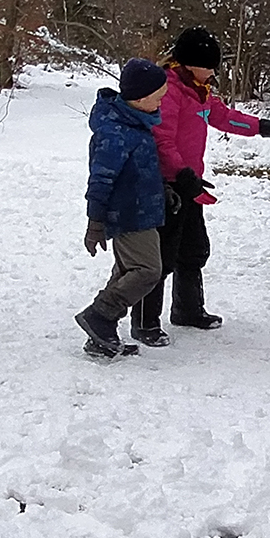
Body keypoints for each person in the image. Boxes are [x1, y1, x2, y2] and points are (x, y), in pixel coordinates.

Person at [129, 27, 270, 343]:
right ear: (190, 63)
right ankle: (144, 322)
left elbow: (224, 117)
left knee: (194, 250)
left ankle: (187, 309)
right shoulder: (167, 90)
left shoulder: (199, 90)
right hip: (165, 186)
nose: (213, 72)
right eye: (209, 66)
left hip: (190, 184)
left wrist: (268, 127)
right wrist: (181, 175)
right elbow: (161, 140)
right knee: (161, 257)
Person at [75, 58, 172, 357]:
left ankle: (100, 335)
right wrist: (95, 222)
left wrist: (163, 191)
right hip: (128, 215)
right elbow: (101, 179)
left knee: (127, 270)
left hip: (144, 210)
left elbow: (140, 170)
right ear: (140, 98)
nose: (162, 101)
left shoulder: (136, 123)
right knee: (147, 270)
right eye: (158, 97)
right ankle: (100, 315)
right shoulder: (115, 132)